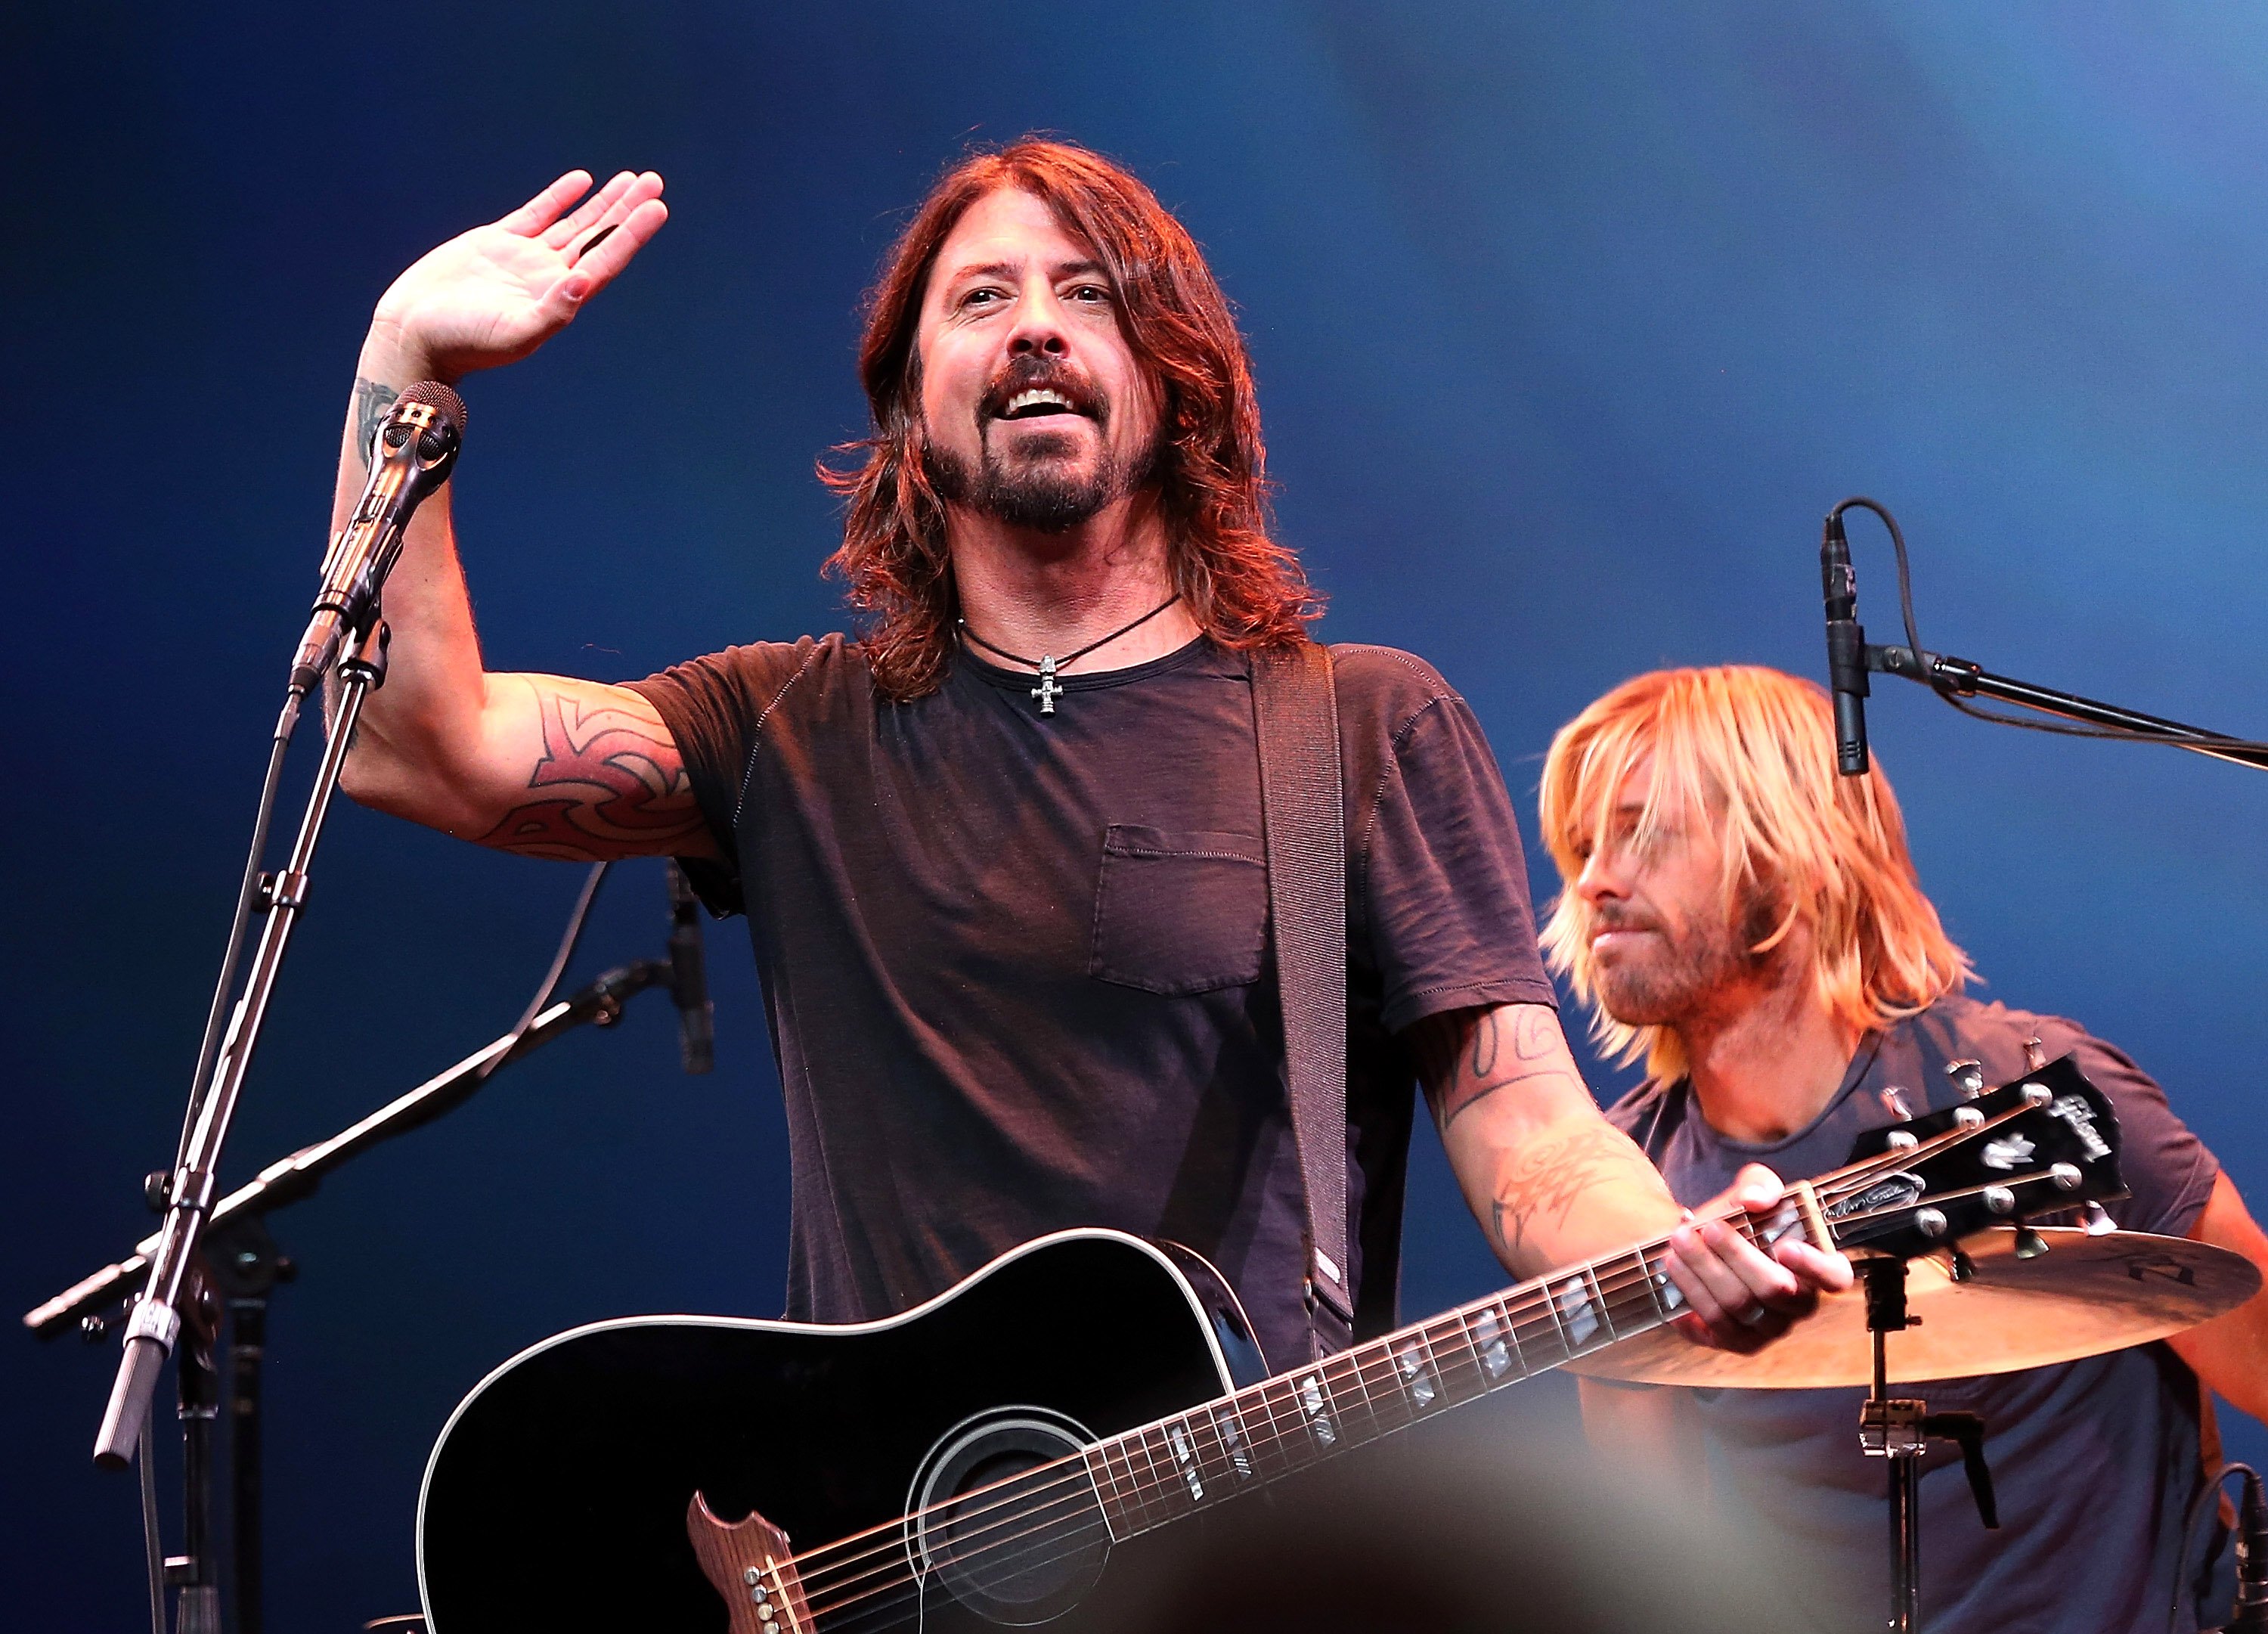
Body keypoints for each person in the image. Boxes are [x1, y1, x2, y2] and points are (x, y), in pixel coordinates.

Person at [328, 141, 1845, 1376]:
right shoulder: (784, 726)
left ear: (1172, 374)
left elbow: (1532, 1131)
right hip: (876, 1566)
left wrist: (1662, 1249)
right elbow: (413, 745)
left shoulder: (1364, 727)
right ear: (911, 403)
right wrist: (406, 372)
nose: (1036, 325)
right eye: (980, 299)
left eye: (1088, 295)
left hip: (1236, 1549)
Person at [1539, 664, 2268, 1632]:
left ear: (1789, 847)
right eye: (1584, 846)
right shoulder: (1626, 1184)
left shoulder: (2026, 1095)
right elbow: (1647, 1561)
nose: (1593, 881)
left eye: (1643, 830)